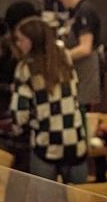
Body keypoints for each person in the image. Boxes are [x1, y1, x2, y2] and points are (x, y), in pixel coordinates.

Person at [10, 16, 91, 185]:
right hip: (75, 143)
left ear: (33, 41)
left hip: (46, 146)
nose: (18, 44)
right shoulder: (65, 59)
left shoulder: (26, 69)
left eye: (21, 40)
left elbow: (20, 115)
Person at [53, 0, 102, 109]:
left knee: (82, 114)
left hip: (85, 73)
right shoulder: (76, 11)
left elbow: (85, 48)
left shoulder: (85, 10)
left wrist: (61, 57)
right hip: (77, 73)